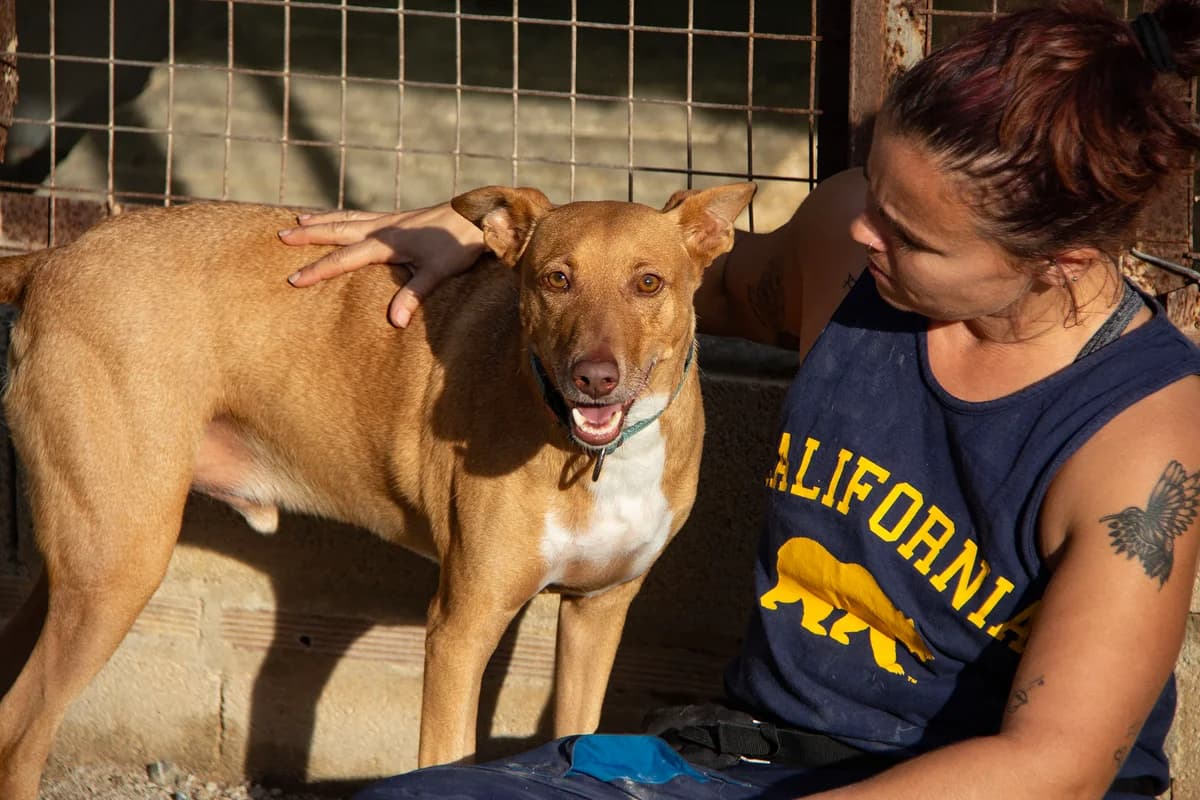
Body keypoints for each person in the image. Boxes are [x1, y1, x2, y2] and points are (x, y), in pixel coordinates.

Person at [279, 2, 1200, 797]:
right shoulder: (845, 252)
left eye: (911, 234)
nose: (865, 228)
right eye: (872, 190)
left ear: (1059, 264)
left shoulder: (1142, 431)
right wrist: (477, 233)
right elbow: (654, 286)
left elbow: (1056, 769)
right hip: (752, 761)